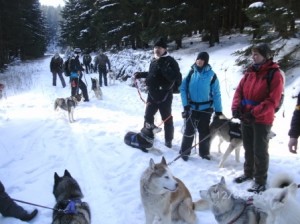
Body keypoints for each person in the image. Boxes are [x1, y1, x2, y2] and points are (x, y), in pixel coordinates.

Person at [231, 43, 284, 193]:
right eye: (253, 54)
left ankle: (260, 180)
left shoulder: (274, 74)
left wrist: (253, 113)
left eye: (257, 54)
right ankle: (248, 173)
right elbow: (239, 92)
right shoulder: (249, 72)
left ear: (266, 56)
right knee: (248, 147)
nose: (254, 57)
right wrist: (235, 108)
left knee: (260, 150)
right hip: (245, 117)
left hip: (261, 119)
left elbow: (272, 100)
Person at [134, 37, 181, 148]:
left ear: (165, 49)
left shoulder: (171, 61)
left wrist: (162, 65)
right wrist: (140, 74)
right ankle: (147, 135)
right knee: (148, 116)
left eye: (159, 48)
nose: (157, 49)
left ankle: (168, 140)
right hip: (152, 94)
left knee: (167, 118)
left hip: (164, 95)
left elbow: (173, 77)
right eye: (155, 47)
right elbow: (151, 74)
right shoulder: (154, 60)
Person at [179, 52, 223, 161]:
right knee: (189, 130)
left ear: (206, 62)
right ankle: (184, 152)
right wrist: (186, 105)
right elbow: (183, 89)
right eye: (198, 59)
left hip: (206, 109)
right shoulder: (190, 73)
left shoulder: (212, 75)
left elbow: (216, 93)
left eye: (202, 59)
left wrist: (218, 111)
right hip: (192, 108)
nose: (199, 61)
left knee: (204, 131)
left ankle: (204, 153)